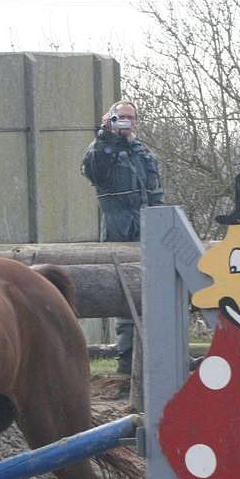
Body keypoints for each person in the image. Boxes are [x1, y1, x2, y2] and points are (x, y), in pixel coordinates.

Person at [81, 101, 164, 375]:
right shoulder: (102, 150)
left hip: (150, 234)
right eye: (120, 118)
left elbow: (156, 195)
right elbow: (94, 171)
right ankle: (127, 362)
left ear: (136, 122)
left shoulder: (145, 154)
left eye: (130, 118)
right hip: (119, 234)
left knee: (156, 297)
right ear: (112, 120)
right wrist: (106, 135)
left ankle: (158, 360)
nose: (126, 123)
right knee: (127, 299)